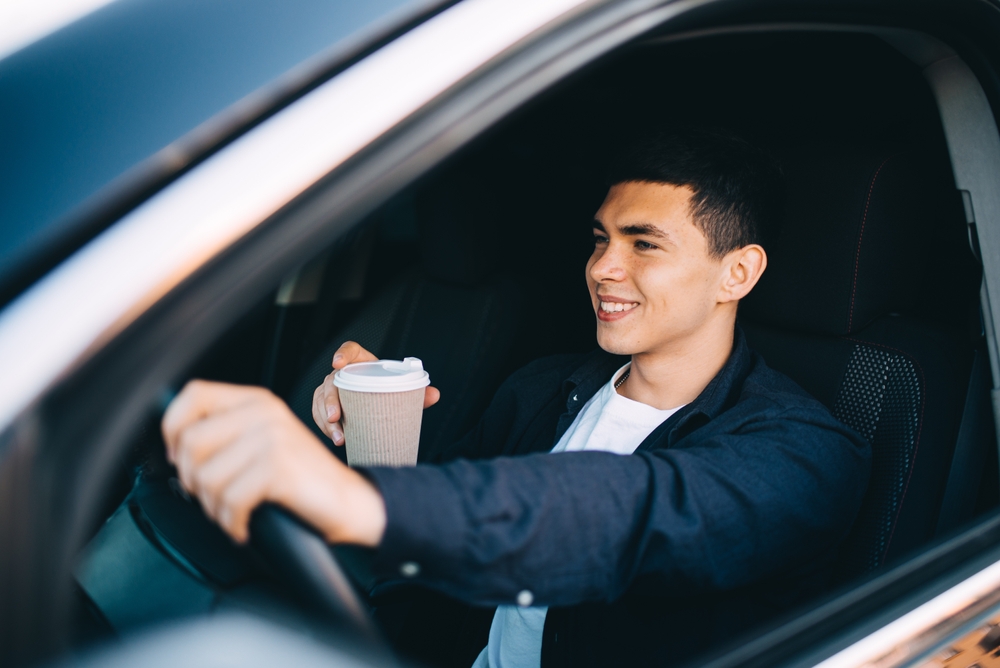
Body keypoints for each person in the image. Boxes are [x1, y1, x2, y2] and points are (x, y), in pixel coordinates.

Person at [161, 129, 871, 667]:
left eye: (643, 245)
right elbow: (452, 533)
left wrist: (360, 503)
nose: (602, 268)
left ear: (737, 273)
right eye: (599, 239)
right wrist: (371, 433)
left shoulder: (804, 453)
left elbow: (626, 516)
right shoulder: (541, 387)